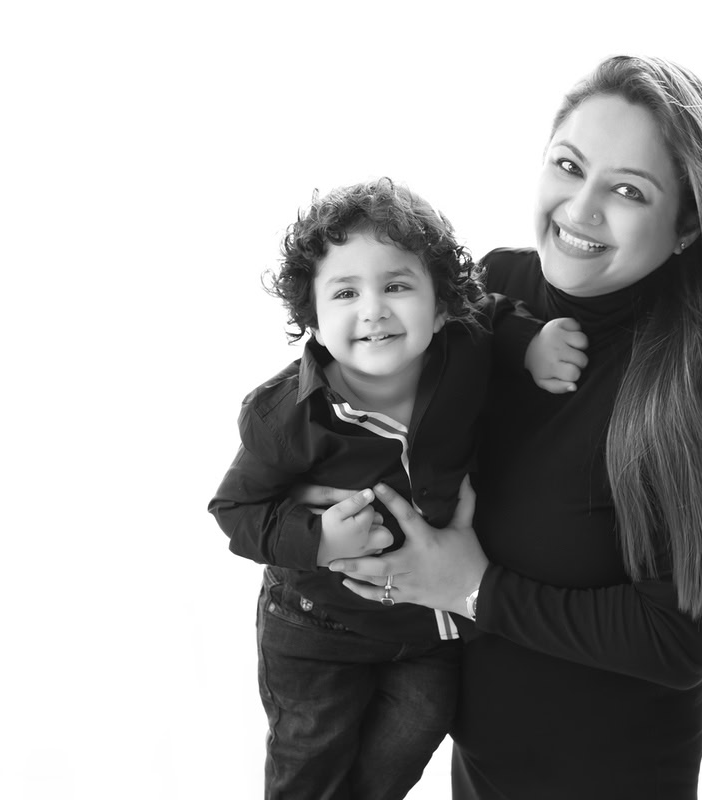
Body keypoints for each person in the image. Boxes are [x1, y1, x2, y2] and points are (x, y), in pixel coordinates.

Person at [326, 56, 702, 799]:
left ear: (687, 227)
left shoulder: (686, 391)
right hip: (479, 775)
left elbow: (676, 641)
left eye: (629, 190)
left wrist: (473, 589)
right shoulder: (491, 292)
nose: (581, 209)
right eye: (569, 166)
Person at [207, 179, 588, 800]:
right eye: (347, 292)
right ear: (315, 321)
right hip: (315, 624)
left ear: (440, 306)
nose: (374, 309)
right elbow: (234, 511)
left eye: (397, 285)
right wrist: (320, 539)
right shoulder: (286, 417)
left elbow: (493, 312)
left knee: (418, 728)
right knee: (312, 760)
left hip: (422, 628)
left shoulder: (462, 349)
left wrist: (531, 346)